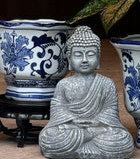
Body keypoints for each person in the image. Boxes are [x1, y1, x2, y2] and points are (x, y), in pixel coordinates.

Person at [39, 26, 134, 159]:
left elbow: (110, 114)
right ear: (69, 58)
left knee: (124, 140)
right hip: (73, 129)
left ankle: (81, 145)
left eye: (90, 54)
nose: (84, 59)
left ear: (98, 57)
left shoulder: (107, 83)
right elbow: (58, 114)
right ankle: (88, 143)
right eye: (78, 55)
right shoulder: (63, 84)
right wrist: (73, 122)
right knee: (48, 138)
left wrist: (96, 123)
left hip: (98, 130)